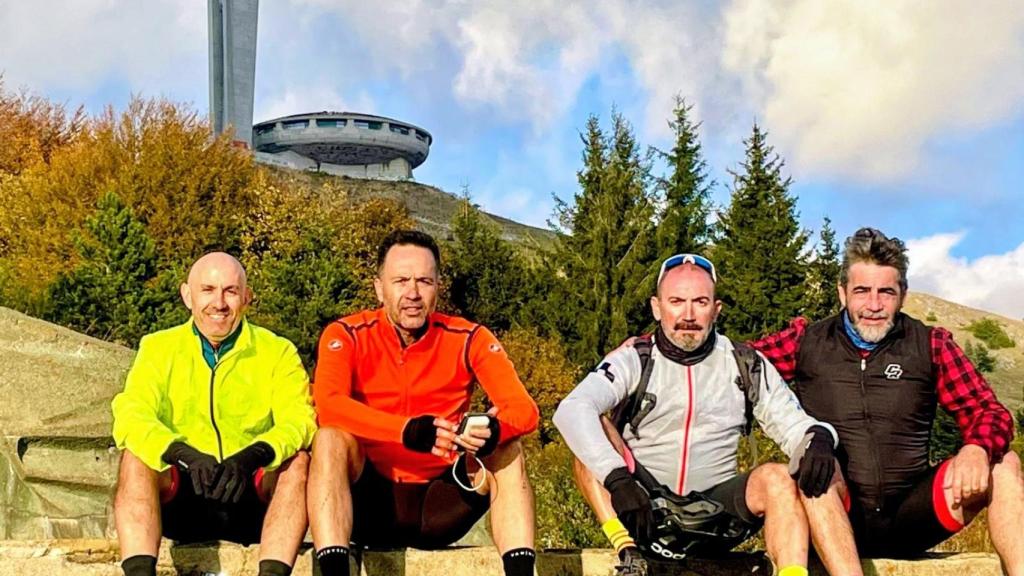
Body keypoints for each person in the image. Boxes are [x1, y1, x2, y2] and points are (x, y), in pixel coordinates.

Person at [751, 227, 1023, 575]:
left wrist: (976, 448)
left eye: (886, 292)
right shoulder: (807, 342)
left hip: (913, 512)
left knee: (1004, 463)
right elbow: (738, 365)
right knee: (815, 464)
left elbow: (988, 411)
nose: (874, 305)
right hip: (836, 510)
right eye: (862, 291)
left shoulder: (929, 344)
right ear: (842, 292)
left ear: (903, 295)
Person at [554, 253, 846, 576]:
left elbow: (795, 427)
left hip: (718, 514)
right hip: (643, 511)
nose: (688, 314)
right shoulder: (635, 357)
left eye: (700, 302)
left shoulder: (744, 362)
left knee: (779, 478)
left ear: (716, 310)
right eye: (676, 301)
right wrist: (618, 479)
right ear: (656, 307)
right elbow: (571, 409)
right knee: (590, 432)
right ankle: (629, 555)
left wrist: (821, 436)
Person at [308, 230, 540, 576]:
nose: (413, 293)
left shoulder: (469, 337)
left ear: (437, 287)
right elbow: (328, 405)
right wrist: (404, 430)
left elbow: (525, 411)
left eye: (424, 281)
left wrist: (493, 430)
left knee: (508, 447)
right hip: (369, 498)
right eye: (401, 281)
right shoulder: (346, 334)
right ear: (379, 287)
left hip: (442, 497)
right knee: (328, 439)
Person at [111, 252, 317, 576]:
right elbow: (130, 414)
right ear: (187, 295)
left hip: (251, 495)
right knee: (136, 456)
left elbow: (300, 419)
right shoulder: (157, 348)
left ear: (247, 297)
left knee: (299, 461)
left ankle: (274, 572)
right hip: (182, 494)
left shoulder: (278, 351)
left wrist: (254, 456)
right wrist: (181, 454)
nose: (218, 303)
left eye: (230, 291)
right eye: (207, 290)